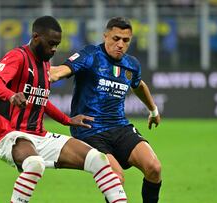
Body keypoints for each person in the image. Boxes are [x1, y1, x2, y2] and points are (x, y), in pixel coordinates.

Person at [0, 16, 127, 203]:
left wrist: (68, 120)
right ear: (36, 37)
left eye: (57, 45)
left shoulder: (45, 64)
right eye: (51, 44)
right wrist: (11, 95)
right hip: (9, 135)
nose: (54, 49)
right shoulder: (17, 56)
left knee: (98, 159)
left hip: (39, 136)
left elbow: (42, 101)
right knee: (35, 164)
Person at [51, 17, 162, 203]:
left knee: (154, 167)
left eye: (125, 41)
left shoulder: (131, 64)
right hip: (89, 130)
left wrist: (153, 110)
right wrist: (44, 74)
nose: (120, 44)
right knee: (116, 178)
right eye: (115, 38)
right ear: (105, 36)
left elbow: (139, 85)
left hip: (119, 127)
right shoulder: (90, 55)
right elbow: (60, 71)